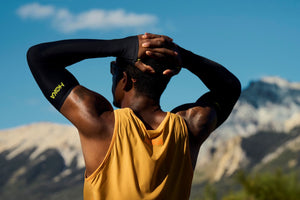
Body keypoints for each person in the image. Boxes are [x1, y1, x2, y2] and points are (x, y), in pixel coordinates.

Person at [27, 33, 241, 200]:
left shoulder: (100, 122)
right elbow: (230, 88)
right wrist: (182, 57)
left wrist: (119, 46)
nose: (112, 76)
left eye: (114, 70)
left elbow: (38, 57)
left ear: (126, 79)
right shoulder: (190, 127)